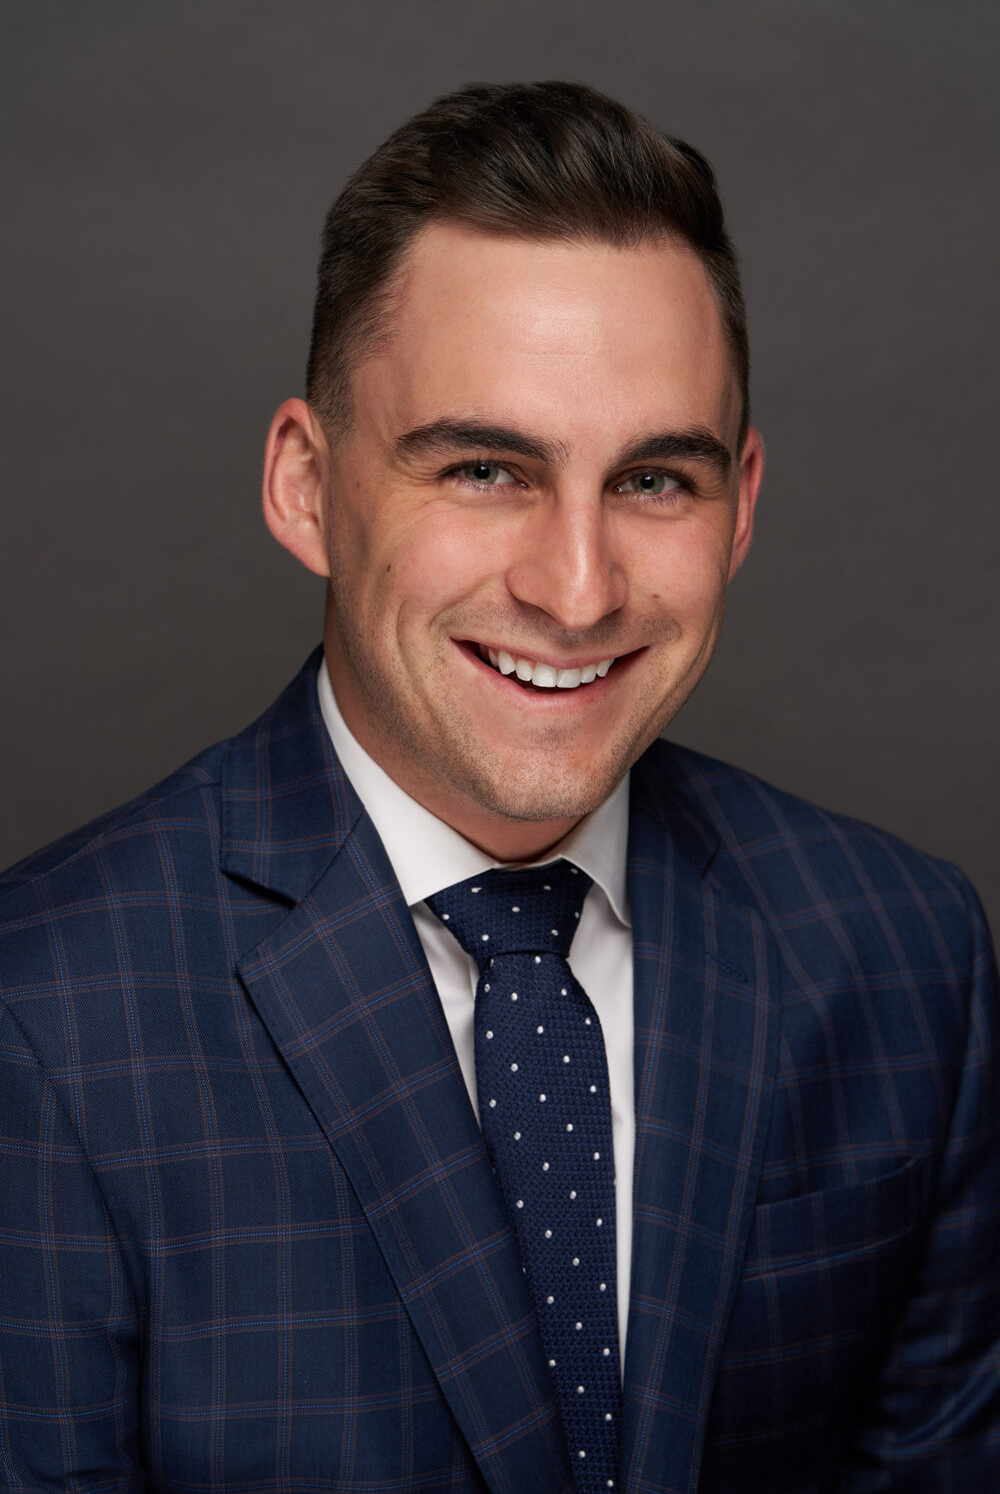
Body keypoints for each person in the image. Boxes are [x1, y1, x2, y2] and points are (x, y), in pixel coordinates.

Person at [0, 80, 995, 1494]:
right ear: (305, 485)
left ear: (746, 503)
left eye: (656, 481)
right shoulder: (42, 1021)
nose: (576, 590)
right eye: (484, 468)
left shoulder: (907, 959)